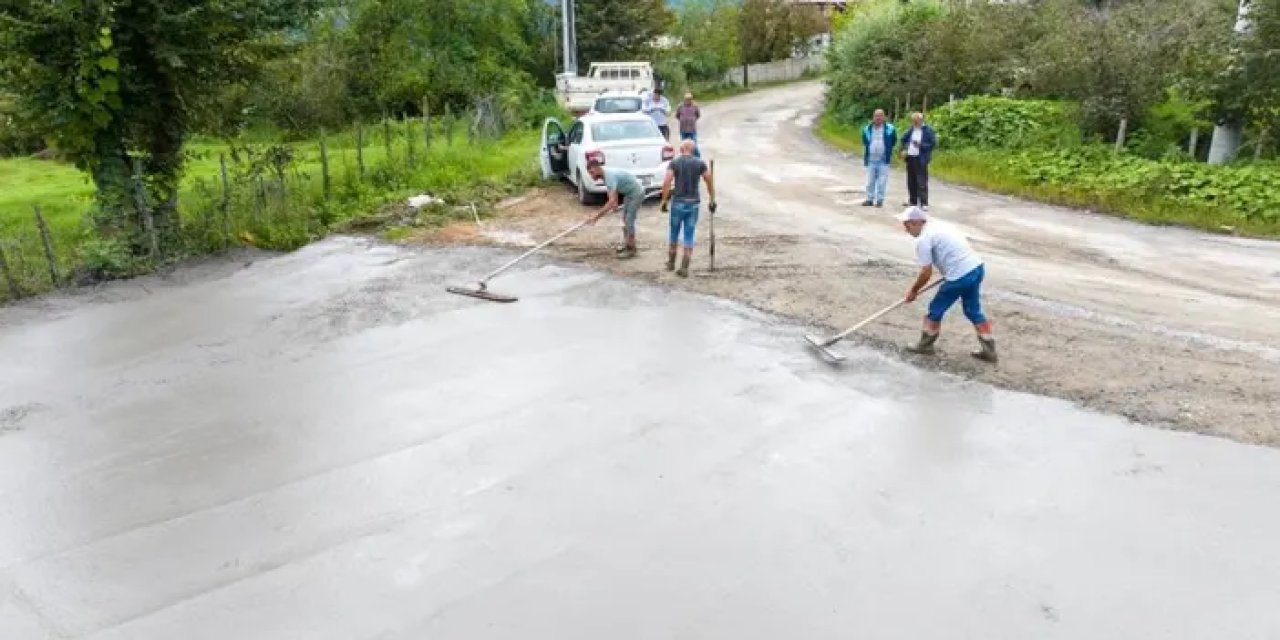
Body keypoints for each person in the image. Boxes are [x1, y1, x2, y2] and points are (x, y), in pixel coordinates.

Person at [899, 206, 997, 363]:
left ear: (917, 223)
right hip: (976, 268)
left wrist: (914, 291)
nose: (906, 229)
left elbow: (926, 272)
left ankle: (925, 345)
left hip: (960, 275)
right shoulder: (939, 226)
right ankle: (990, 351)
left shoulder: (924, 239)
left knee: (935, 309)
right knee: (973, 310)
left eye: (907, 225)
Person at [659, 140, 716, 277]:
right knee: (689, 234)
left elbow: (667, 181)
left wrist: (664, 200)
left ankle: (671, 263)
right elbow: (709, 180)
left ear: (683, 148)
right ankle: (684, 267)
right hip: (693, 204)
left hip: (678, 203)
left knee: (674, 232)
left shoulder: (675, 163)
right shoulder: (700, 163)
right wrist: (712, 198)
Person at [584, 160, 646, 259]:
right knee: (625, 220)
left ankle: (632, 249)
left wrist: (597, 216)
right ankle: (627, 245)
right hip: (628, 194)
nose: (592, 176)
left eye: (592, 173)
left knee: (629, 221)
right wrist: (615, 203)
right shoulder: (605, 176)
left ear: (597, 168)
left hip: (636, 194)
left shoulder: (609, 176)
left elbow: (610, 201)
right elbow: (613, 192)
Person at [900, 112, 937, 211]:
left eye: (916, 121)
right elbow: (903, 139)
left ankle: (924, 202)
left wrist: (921, 145)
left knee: (921, 181)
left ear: (921, 120)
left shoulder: (928, 130)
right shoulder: (911, 129)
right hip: (910, 157)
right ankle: (913, 201)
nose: (914, 123)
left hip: (921, 159)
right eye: (913, 121)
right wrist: (904, 149)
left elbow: (932, 144)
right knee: (911, 180)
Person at [861, 109, 897, 208]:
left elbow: (894, 141)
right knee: (870, 181)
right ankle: (869, 199)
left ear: (884, 117)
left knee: (882, 181)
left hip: (883, 159)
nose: (878, 118)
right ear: (873, 117)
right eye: (876, 116)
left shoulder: (890, 128)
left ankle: (880, 200)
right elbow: (865, 141)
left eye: (880, 116)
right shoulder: (867, 128)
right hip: (871, 159)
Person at [675, 92, 702, 157]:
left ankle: (697, 158)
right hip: (683, 129)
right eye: (687, 99)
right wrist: (682, 120)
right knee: (684, 145)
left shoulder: (695, 106)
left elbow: (698, 115)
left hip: (692, 129)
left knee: (694, 145)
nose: (688, 101)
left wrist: (692, 120)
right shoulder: (680, 106)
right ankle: (684, 157)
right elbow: (677, 116)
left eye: (689, 99)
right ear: (684, 99)